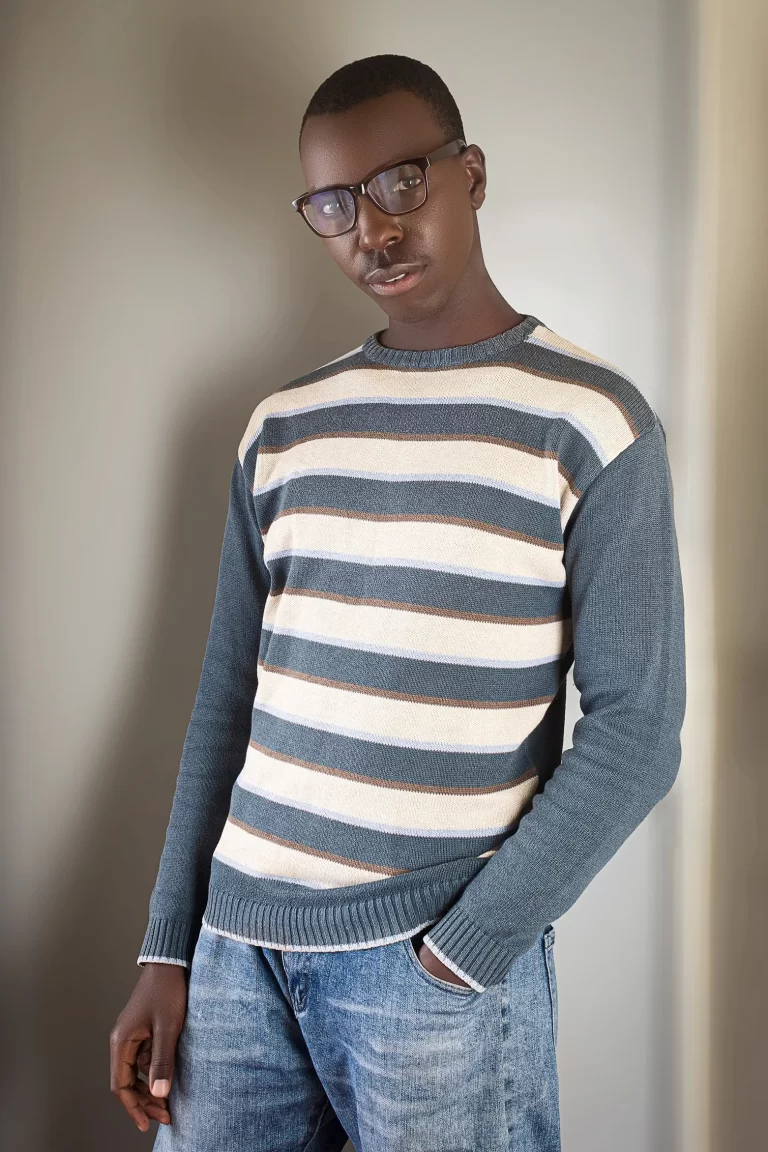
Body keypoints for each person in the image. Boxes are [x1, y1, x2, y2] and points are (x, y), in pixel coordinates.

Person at [109, 52, 686, 1152]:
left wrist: (466, 950)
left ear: (472, 174)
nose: (371, 229)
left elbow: (640, 730)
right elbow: (228, 699)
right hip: (234, 959)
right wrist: (169, 945)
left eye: (400, 183)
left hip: (427, 966)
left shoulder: (594, 423)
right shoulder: (283, 426)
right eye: (333, 204)